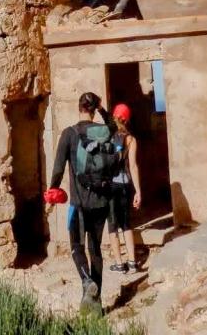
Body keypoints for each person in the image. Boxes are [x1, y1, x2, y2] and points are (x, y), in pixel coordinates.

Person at [47, 91, 118, 315]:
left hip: (78, 204)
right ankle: (95, 306)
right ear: (94, 108)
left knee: (76, 247)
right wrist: (103, 109)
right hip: (101, 202)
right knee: (95, 250)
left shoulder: (69, 134)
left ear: (79, 107)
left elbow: (58, 168)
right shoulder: (105, 132)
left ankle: (87, 283)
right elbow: (114, 124)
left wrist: (52, 195)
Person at [107, 103, 142, 274]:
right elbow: (133, 166)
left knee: (113, 225)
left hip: (110, 185)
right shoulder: (131, 139)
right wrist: (138, 191)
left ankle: (119, 264)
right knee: (126, 224)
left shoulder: (109, 137)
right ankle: (133, 262)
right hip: (125, 184)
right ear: (127, 120)